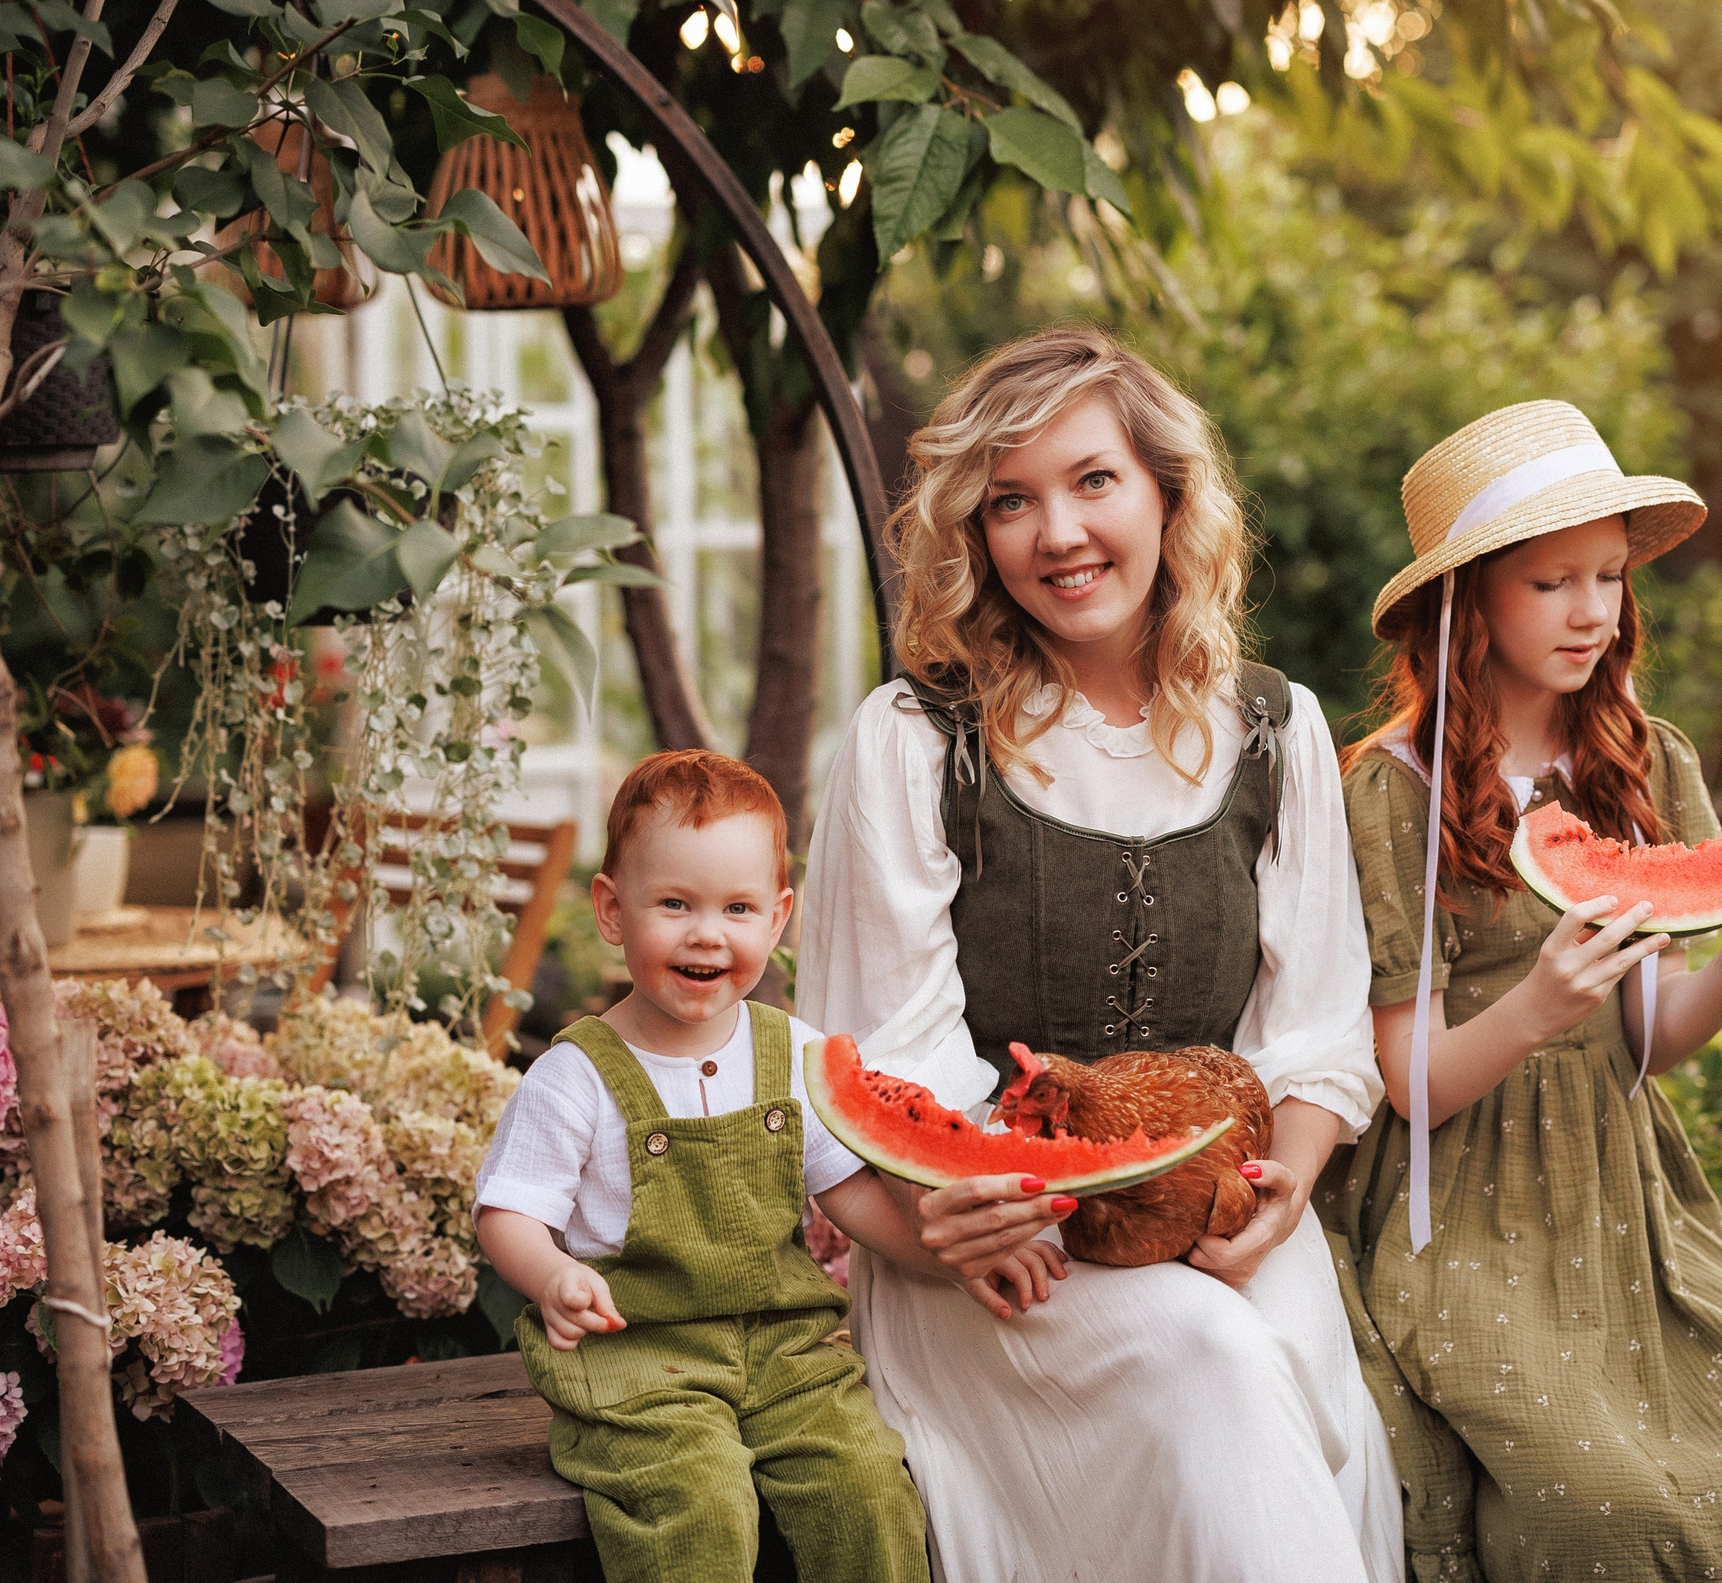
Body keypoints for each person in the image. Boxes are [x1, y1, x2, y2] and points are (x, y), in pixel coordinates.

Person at [797, 324, 1403, 1583]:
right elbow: (879, 1058)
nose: (1056, 533)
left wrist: (1282, 1184)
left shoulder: (1271, 727)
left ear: (1167, 495)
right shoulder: (915, 740)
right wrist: (967, 1224)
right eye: (1009, 502)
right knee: (1217, 1363)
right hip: (984, 1247)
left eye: (1092, 481)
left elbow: (1319, 1027)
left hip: (1227, 1207)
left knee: (1286, 1356)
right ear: (974, 537)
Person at [1324, 400, 1722, 1582]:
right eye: (1550, 584)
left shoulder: (1645, 759)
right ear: (1466, 598)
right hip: (1460, 1214)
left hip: (1628, 1191)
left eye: (1608, 579)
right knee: (1604, 1505)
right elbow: (1407, 1087)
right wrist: (1533, 1006)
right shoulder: (1387, 791)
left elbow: (1656, 1036)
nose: (1592, 611)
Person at [474, 749, 1065, 1583]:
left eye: (738, 907)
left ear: (779, 917)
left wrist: (948, 1255)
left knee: (868, 1483)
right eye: (674, 903)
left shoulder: (795, 1054)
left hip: (785, 1351)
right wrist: (550, 1277)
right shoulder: (576, 1074)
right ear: (611, 910)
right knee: (700, 1503)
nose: (708, 932)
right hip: (639, 1356)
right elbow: (508, 1210)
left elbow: (854, 1196)